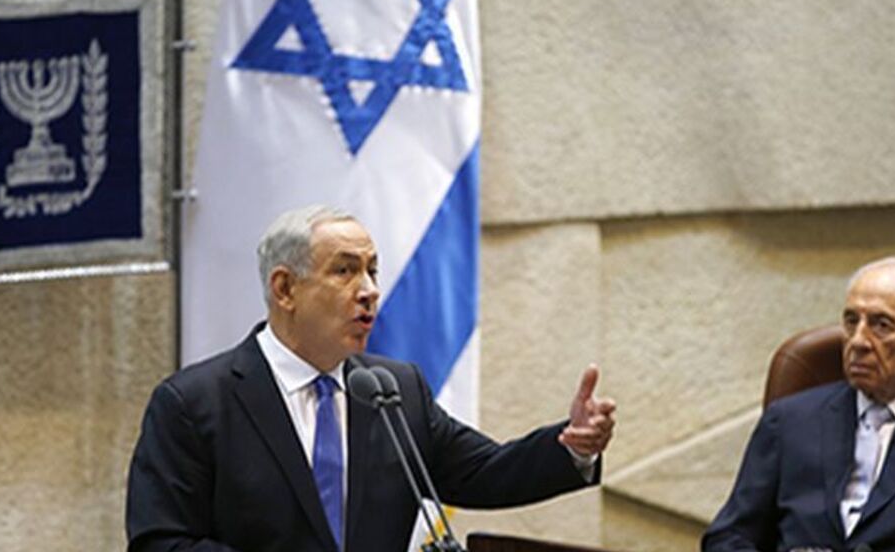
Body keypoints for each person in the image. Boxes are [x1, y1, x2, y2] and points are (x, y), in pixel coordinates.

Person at [126, 205, 616, 552]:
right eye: (345, 271)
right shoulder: (194, 404)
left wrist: (573, 446)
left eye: (372, 272)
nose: (369, 291)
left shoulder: (393, 392)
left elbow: (488, 472)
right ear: (285, 288)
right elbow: (161, 541)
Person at [702, 257, 895, 552]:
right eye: (851, 321)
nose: (858, 341)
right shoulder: (789, 421)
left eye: (882, 325)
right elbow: (729, 537)